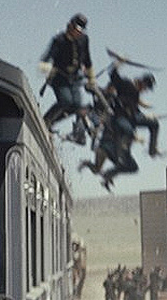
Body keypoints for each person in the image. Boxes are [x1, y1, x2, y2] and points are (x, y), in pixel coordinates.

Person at [79, 61, 160, 191]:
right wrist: (116, 65)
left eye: (146, 89)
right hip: (120, 118)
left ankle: (152, 150)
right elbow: (113, 76)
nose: (144, 90)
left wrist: (147, 117)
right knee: (128, 130)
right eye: (145, 87)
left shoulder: (136, 94)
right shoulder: (126, 84)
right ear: (142, 82)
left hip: (131, 119)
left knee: (154, 124)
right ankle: (114, 162)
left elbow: (134, 110)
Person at [40, 13, 97, 145]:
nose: (78, 33)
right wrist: (46, 67)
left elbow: (87, 60)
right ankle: (45, 121)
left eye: (80, 31)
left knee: (77, 105)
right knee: (65, 100)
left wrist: (91, 79)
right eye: (76, 29)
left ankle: (51, 122)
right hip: (59, 78)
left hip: (75, 79)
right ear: (70, 26)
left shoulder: (84, 40)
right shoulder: (59, 40)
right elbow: (47, 57)